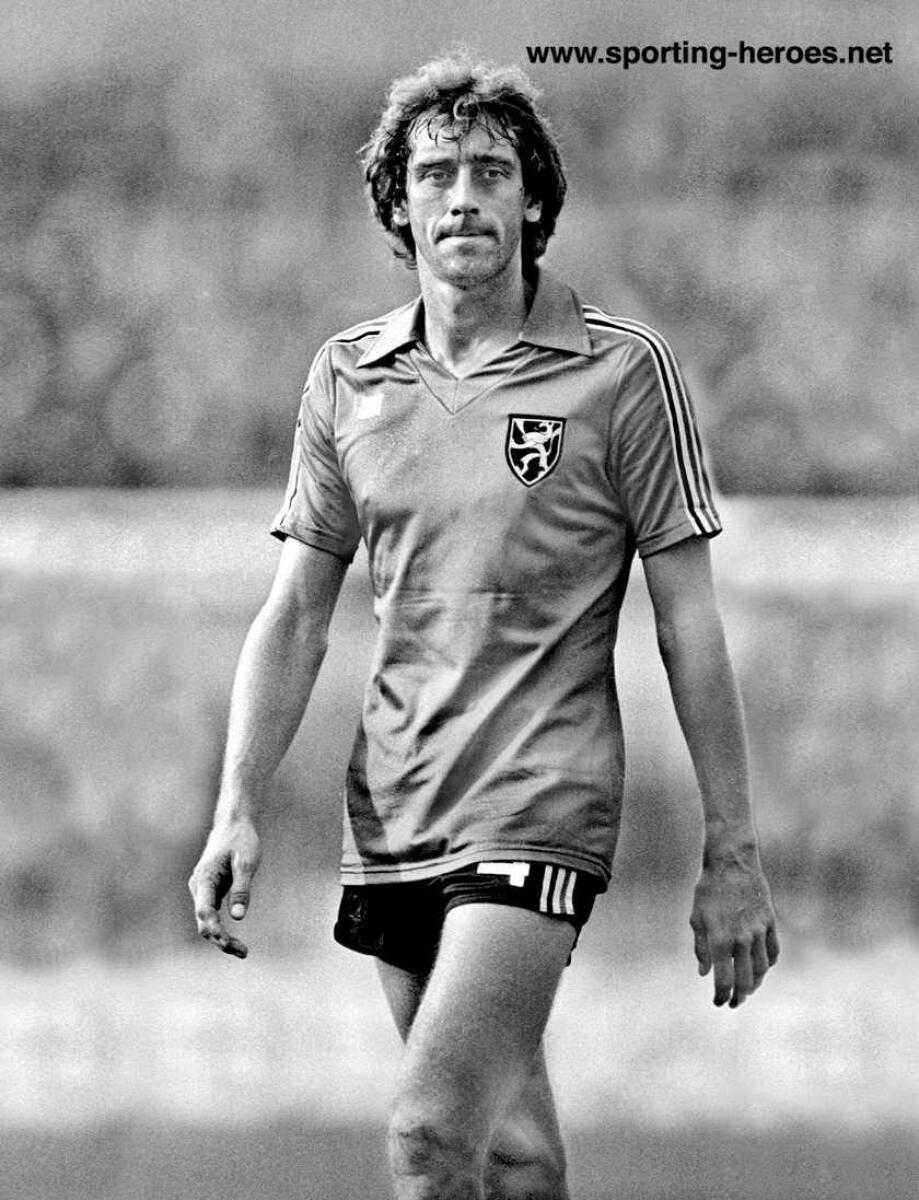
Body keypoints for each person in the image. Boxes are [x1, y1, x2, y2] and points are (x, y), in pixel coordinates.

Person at [188, 54, 779, 1200]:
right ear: (398, 205)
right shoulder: (348, 376)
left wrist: (733, 852)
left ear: (534, 199)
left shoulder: (621, 373)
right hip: (394, 808)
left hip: (540, 803)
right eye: (437, 173)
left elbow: (688, 623)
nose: (463, 197)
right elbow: (297, 613)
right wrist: (237, 806)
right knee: (511, 1158)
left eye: (491, 173)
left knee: (426, 1137)